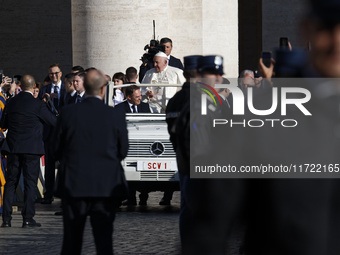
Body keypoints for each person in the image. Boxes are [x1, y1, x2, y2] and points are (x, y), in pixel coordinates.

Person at [54, 69, 128, 254]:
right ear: (103, 90)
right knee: (104, 242)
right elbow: (123, 151)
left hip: (74, 184)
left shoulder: (68, 113)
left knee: (71, 242)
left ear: (84, 87)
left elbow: (56, 149)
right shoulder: (115, 116)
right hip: (105, 185)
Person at [0, 75, 56, 228]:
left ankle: (6, 219)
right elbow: (53, 121)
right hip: (31, 149)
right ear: (33, 87)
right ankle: (27, 218)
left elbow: (3, 124)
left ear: (22, 86)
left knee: (11, 183)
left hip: (13, 148)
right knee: (30, 183)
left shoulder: (11, 102)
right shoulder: (37, 104)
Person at [38, 64, 66, 204]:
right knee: (49, 166)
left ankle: (65, 196)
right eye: (51, 74)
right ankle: (48, 195)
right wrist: (43, 101)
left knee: (65, 165)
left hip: (63, 133)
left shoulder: (66, 89)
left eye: (56, 73)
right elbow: (39, 109)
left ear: (60, 74)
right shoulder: (44, 89)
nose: (53, 76)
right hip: (49, 133)